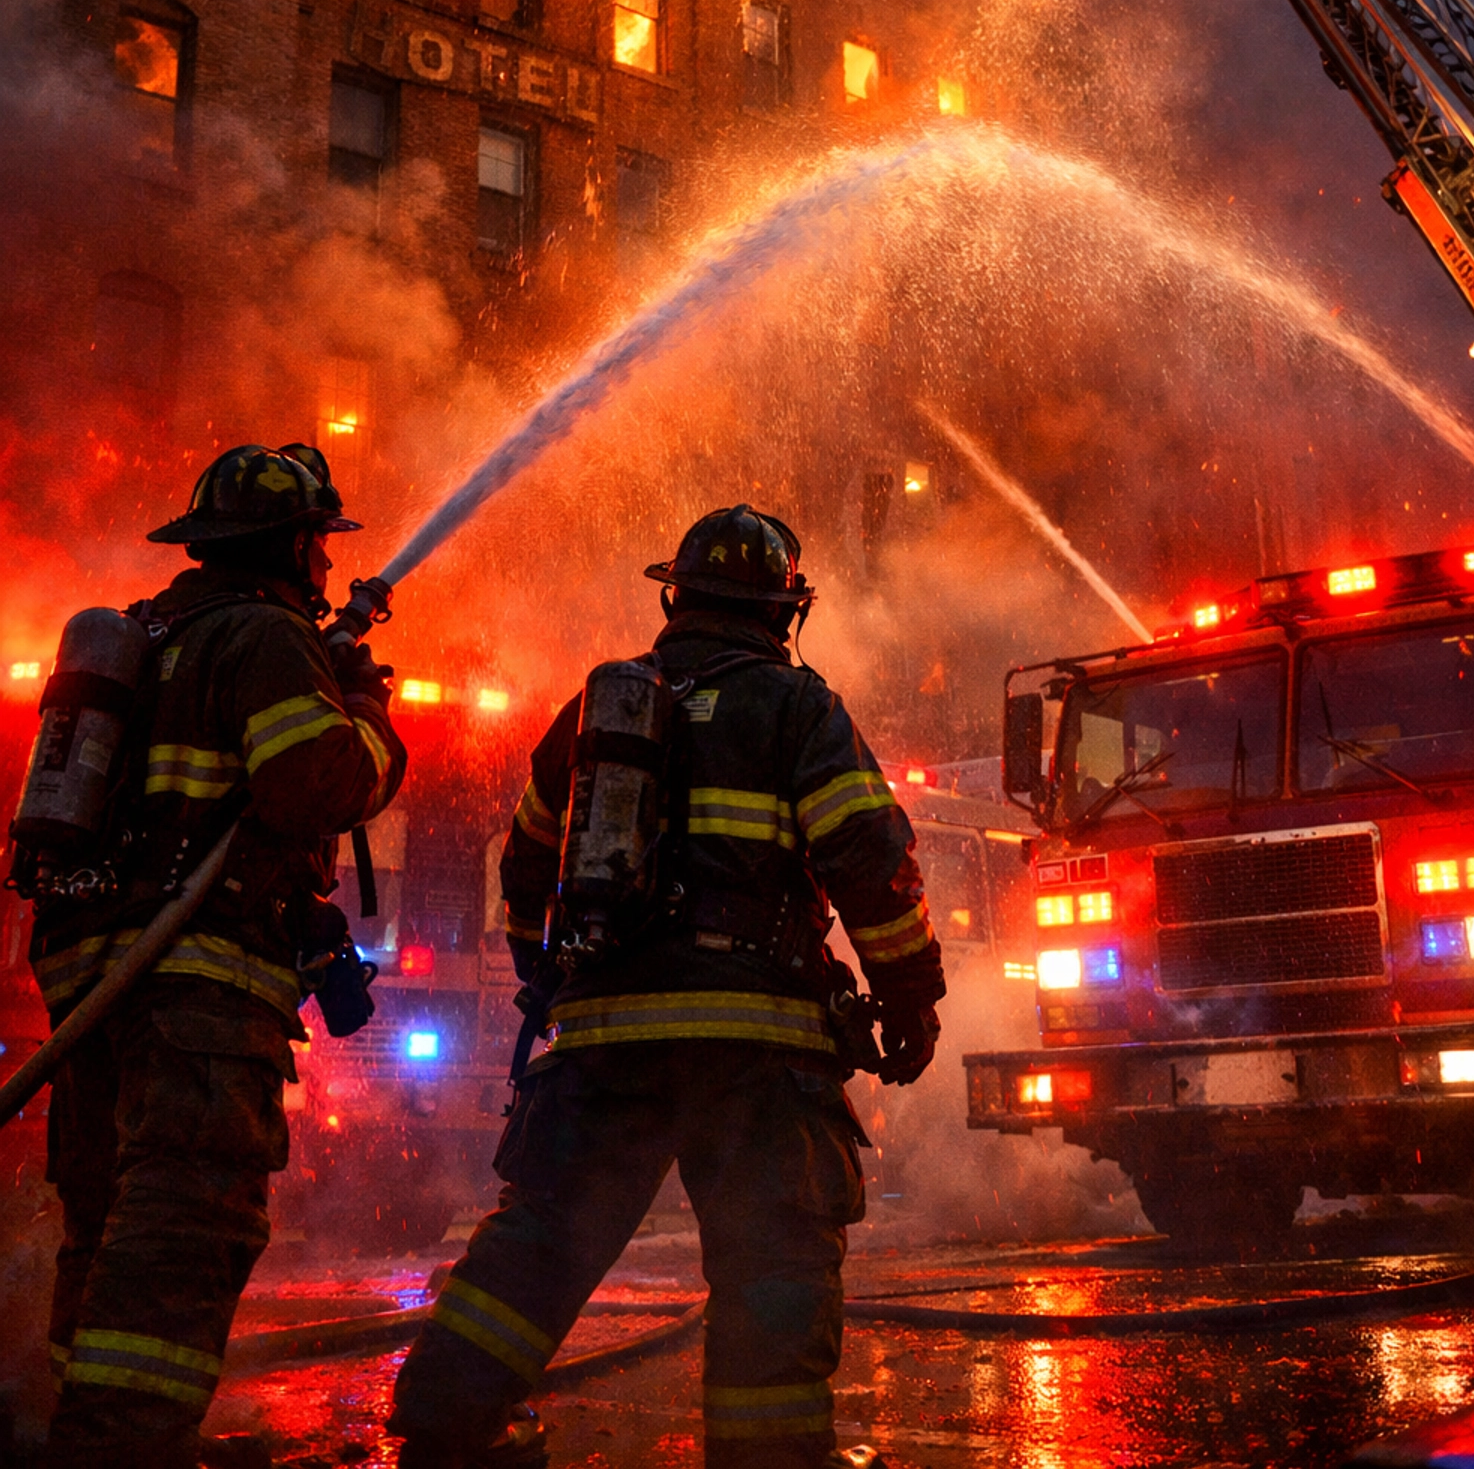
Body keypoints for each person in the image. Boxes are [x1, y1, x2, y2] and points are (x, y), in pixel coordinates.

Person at [389, 503, 944, 1469]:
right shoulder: (797, 706)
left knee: (541, 1243)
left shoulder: (602, 708)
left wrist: (551, 976)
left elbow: (525, 861)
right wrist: (910, 994)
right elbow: (868, 856)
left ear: (677, 596)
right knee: (773, 1262)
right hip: (756, 1053)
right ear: (785, 610)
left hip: (607, 1046)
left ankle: (445, 1426)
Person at [33, 442, 406, 1469]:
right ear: (294, 544)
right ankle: (118, 1447)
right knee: (186, 1219)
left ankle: (81, 1422)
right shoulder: (264, 636)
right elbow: (316, 782)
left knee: (109, 1221)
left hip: (94, 978)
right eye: (319, 549)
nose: (327, 570)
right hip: (194, 982)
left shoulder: (151, 634)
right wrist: (370, 709)